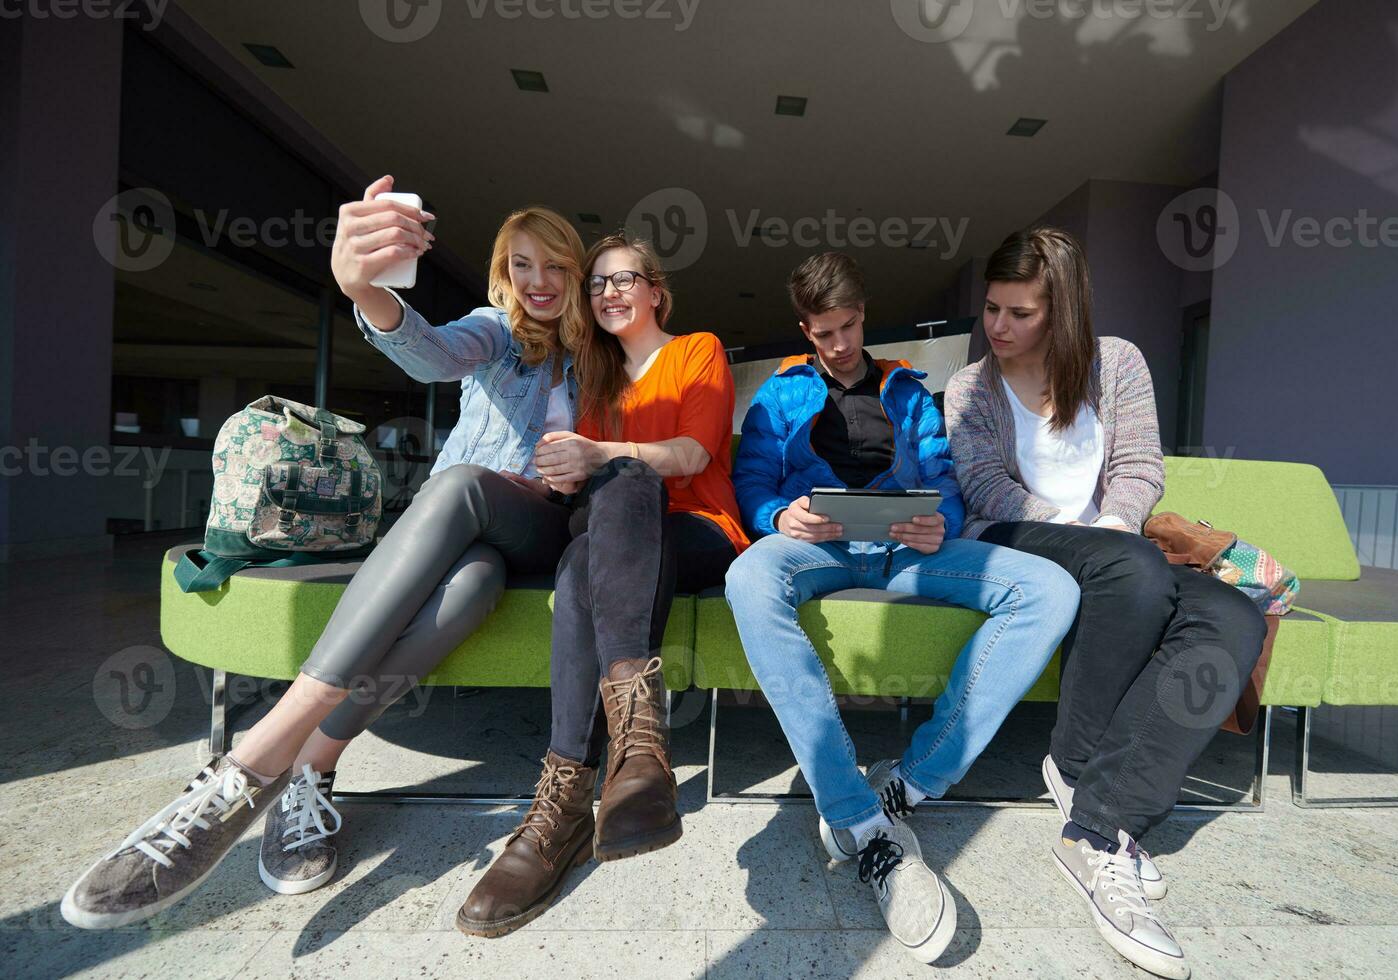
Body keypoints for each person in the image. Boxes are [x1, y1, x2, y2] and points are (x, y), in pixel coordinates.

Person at [62, 184, 592, 927]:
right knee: (469, 589)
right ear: (505, 275)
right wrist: (365, 291)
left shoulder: (601, 352)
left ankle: (253, 762)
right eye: (523, 265)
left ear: (577, 276)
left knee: (465, 485)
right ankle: (311, 770)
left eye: (557, 268)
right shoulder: (496, 332)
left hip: (538, 529)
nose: (541, 282)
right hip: (467, 535)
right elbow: (433, 354)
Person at [721, 252, 1080, 963]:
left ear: (863, 316)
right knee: (747, 579)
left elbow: (943, 478)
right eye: (823, 333)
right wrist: (776, 516)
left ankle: (913, 781)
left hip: (904, 551)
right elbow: (752, 482)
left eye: (849, 326)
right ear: (805, 329)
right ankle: (852, 812)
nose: (840, 344)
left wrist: (935, 521)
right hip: (816, 548)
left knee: (1049, 589)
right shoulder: (776, 395)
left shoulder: (911, 392)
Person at [945, 226, 1266, 980]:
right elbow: (983, 484)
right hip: (1014, 536)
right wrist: (1095, 540)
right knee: (1128, 570)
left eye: (1019, 313)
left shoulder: (1116, 363)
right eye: (991, 308)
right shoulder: (970, 387)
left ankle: (1096, 818)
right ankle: (1083, 773)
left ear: (1062, 313)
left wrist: (1115, 527)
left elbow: (1138, 465)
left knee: (1230, 617)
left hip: (1115, 547)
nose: (998, 327)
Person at [455, 234, 748, 937]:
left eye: (623, 279)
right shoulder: (592, 380)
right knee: (585, 548)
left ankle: (564, 806)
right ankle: (633, 756)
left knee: (629, 476)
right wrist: (562, 470)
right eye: (596, 284)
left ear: (656, 291)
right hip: (612, 543)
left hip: (698, 531)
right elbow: (579, 479)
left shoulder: (696, 350)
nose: (608, 292)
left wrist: (604, 455)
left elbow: (692, 453)